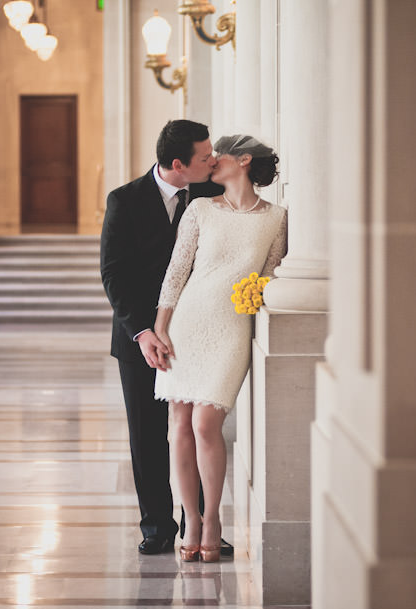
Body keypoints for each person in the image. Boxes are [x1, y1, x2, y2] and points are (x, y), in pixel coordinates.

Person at [153, 134, 287, 562]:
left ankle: (213, 519)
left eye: (218, 156)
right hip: (187, 323)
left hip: (231, 329)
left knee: (206, 424)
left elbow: (271, 275)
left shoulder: (276, 218)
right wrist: (160, 328)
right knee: (179, 424)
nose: (211, 162)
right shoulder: (200, 209)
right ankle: (190, 519)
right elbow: (177, 272)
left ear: (243, 160)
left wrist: (260, 293)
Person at [100, 119, 228, 555]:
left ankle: (204, 526)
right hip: (138, 339)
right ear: (178, 164)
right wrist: (142, 332)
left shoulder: (211, 193)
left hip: (197, 333)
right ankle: (156, 525)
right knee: (147, 434)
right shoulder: (124, 200)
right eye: (205, 156)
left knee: (198, 432)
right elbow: (113, 273)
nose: (213, 161)